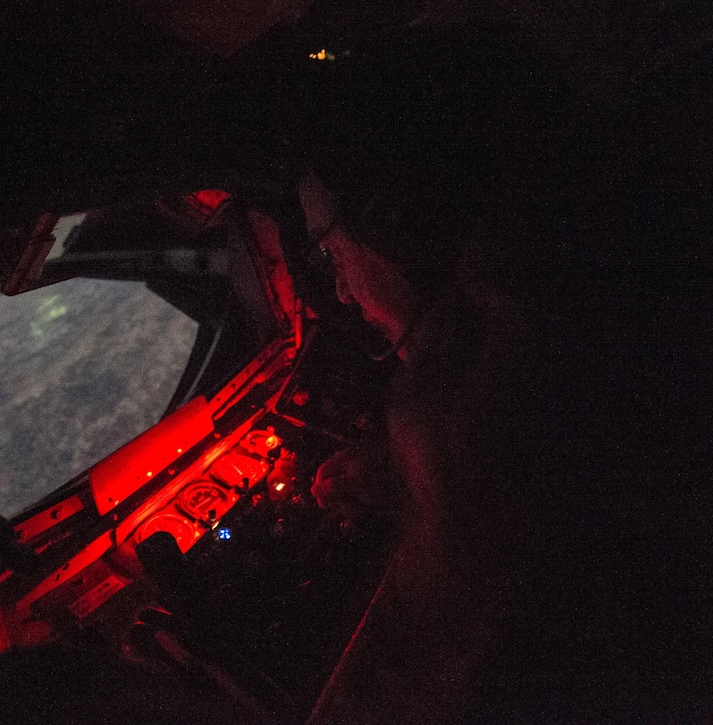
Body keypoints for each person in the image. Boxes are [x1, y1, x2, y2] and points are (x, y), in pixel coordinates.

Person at [294, 25, 713, 721]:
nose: (340, 292)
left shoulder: (464, 405)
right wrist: (390, 478)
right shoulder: (629, 259)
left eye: (335, 256)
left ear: (401, 224)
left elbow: (409, 688)